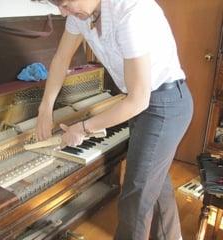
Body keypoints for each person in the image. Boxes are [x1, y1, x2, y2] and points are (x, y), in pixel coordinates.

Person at [34, 0, 193, 239]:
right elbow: (60, 59)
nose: (62, 11)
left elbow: (139, 100)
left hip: (165, 103)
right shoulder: (80, 13)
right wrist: (45, 108)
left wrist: (84, 128)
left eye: (66, 3)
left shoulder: (129, 11)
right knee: (154, 184)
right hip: (143, 102)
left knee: (135, 199)